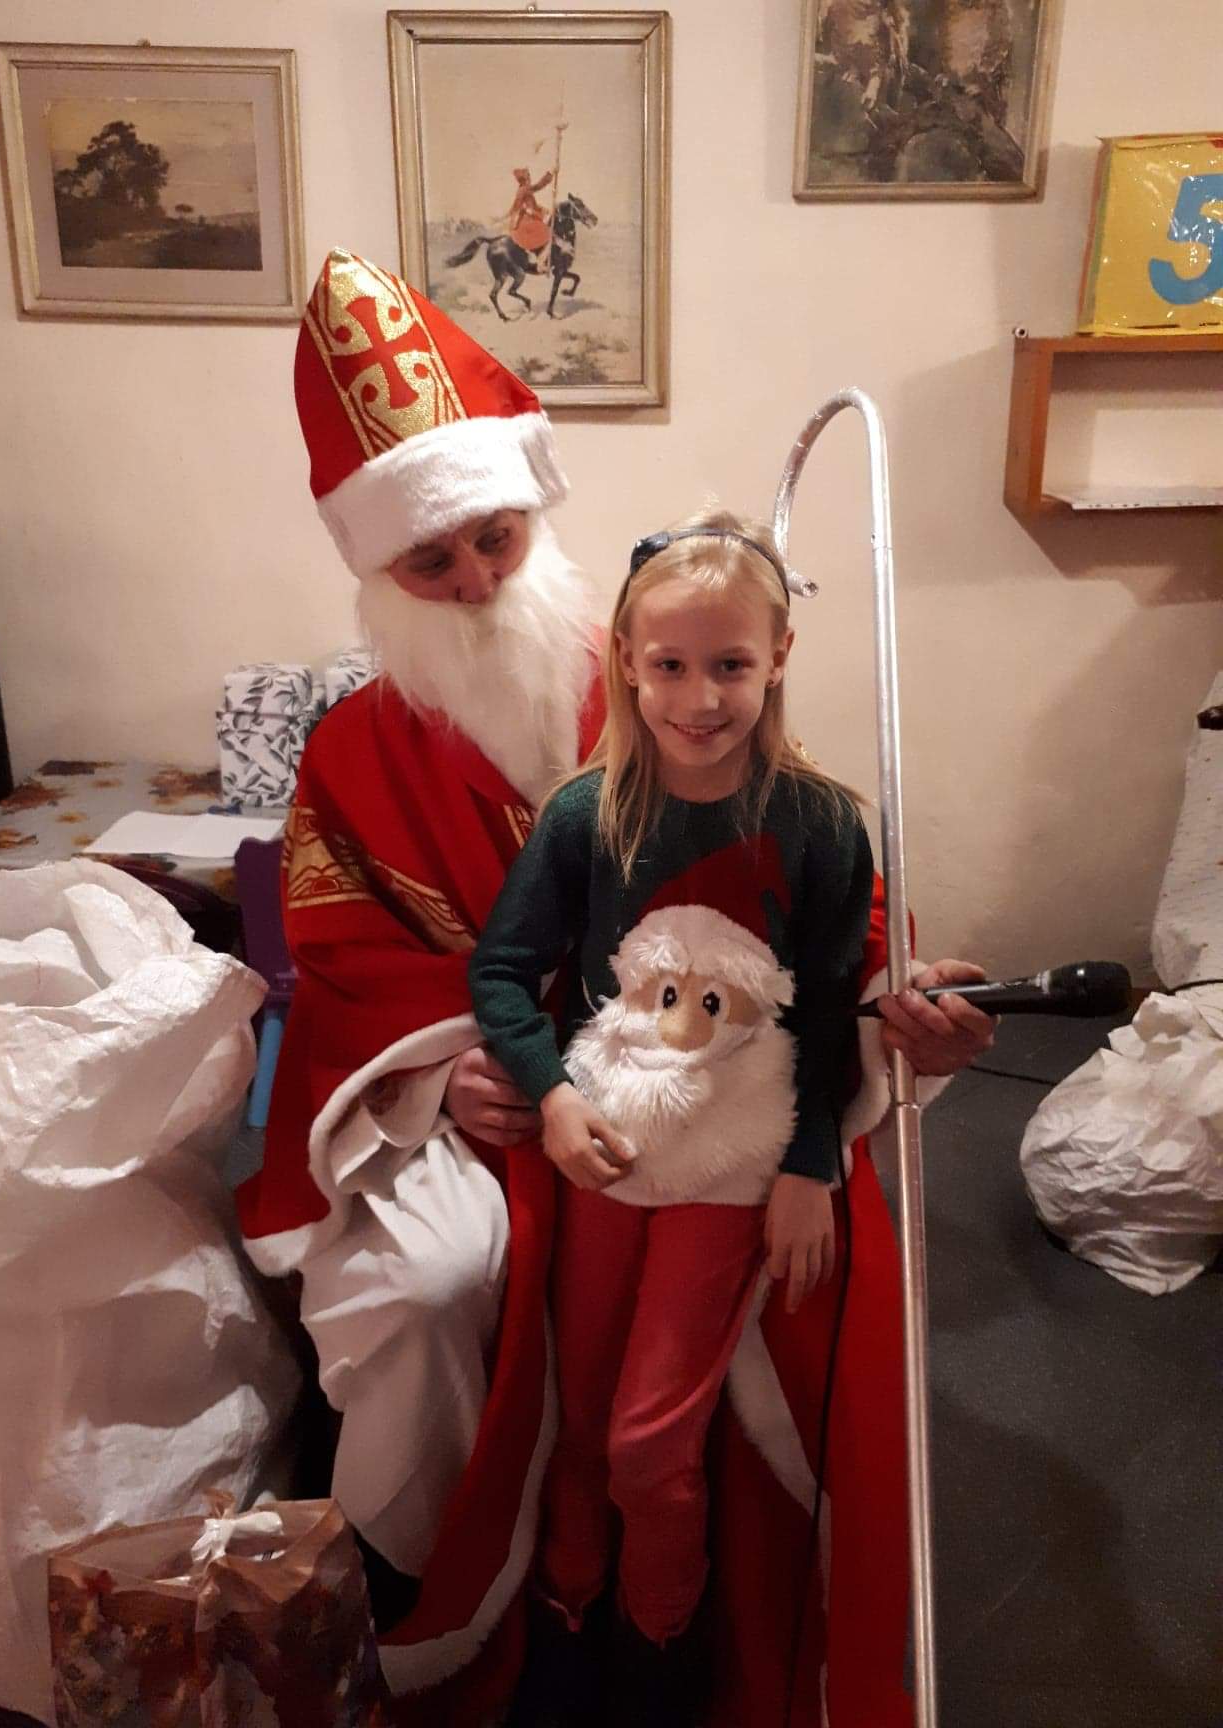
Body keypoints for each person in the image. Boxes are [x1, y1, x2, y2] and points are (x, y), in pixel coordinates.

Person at [237, 248, 995, 1727]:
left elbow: (811, 898)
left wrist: (899, 1001)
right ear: (375, 572)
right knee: (438, 1289)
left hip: (714, 1089)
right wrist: (439, 1066)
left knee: (808, 1285)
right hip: (492, 1101)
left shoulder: (662, 668)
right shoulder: (350, 753)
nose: (474, 582)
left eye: (495, 538)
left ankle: (718, 1619)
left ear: (537, 512)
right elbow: (340, 966)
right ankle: (491, 1587)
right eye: (430, 562)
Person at [467, 512, 901, 1721]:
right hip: (607, 1153)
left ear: (779, 659)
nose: (701, 698)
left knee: (650, 1440)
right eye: (669, 665)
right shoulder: (583, 816)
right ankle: (571, 1625)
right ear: (625, 658)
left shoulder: (822, 823)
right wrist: (553, 1096)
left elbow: (829, 1005)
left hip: (732, 1169)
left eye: (730, 666)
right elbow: (502, 970)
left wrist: (809, 1166)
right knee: (578, 1419)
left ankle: (660, 1653)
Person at [504, 165, 553, 253]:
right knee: (545, 230)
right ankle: (539, 254)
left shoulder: (527, 188)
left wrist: (550, 174)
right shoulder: (522, 190)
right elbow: (516, 206)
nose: (530, 179)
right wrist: (529, 210)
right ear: (524, 180)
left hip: (531, 216)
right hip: (525, 222)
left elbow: (539, 186)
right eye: (528, 177)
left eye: (529, 176)